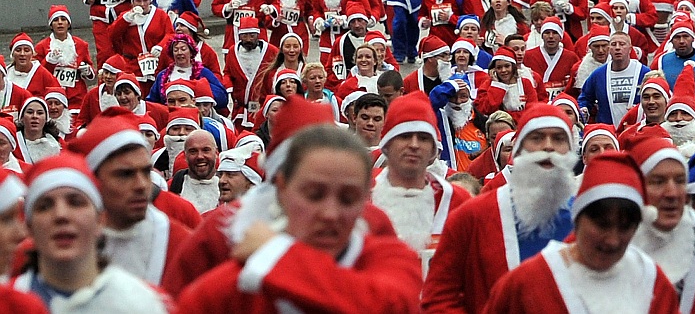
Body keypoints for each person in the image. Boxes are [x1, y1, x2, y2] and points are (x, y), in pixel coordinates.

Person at [177, 124, 422, 312]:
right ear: (281, 190)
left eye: (348, 198)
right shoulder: (227, 291)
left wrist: (276, 253)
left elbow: (390, 305)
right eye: (314, 195)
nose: (330, 214)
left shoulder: (393, 260)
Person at [423, 104, 577, 313]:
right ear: (519, 149)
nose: (548, 147)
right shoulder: (472, 216)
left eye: (558, 139)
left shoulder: (590, 219)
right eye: (537, 138)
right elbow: (439, 296)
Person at [487, 151, 679, 314]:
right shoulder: (529, 282)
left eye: (625, 228)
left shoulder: (650, 281)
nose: (612, 241)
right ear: (577, 219)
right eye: (602, 225)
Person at [12, 153, 173, 312]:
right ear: (28, 226)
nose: (61, 215)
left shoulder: (142, 303)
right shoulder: (8, 304)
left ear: (100, 220)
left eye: (75, 203)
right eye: (45, 206)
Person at [66, 112, 192, 285]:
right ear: (93, 180)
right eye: (125, 174)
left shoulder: (180, 244)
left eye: (146, 172)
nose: (141, 185)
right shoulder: (61, 244)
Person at [628, 132, 695, 314]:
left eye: (680, 181)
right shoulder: (604, 239)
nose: (672, 193)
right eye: (658, 181)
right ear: (636, 186)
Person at [371, 93, 471, 263]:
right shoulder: (360, 195)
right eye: (404, 136)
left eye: (423, 138)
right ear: (387, 144)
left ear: (434, 150)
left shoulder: (457, 202)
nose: (414, 145)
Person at [36, 5, 94, 108]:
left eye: (63, 19)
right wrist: (49, 61)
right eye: (55, 20)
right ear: (51, 25)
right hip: (52, 97)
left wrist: (87, 71)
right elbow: (37, 74)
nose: (60, 22)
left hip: (77, 96)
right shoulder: (41, 47)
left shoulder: (81, 45)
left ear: (68, 23)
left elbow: (91, 72)